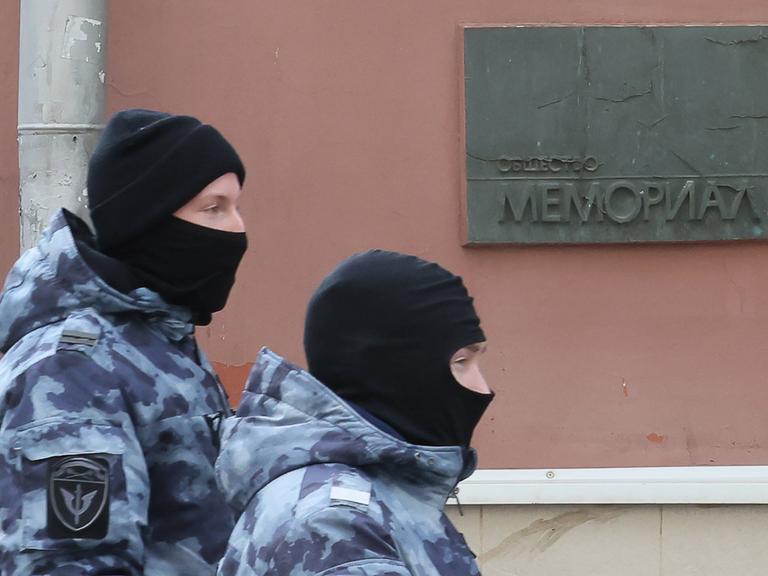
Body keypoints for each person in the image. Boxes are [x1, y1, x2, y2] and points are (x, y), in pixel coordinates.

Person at [0, 109, 247, 575]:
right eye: (213, 208)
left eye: (236, 205)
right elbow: (72, 562)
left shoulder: (157, 339)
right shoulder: (73, 368)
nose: (237, 227)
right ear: (148, 220)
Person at [216, 249, 494, 575]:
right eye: (461, 362)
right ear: (394, 368)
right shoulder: (335, 524)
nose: (482, 388)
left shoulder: (372, 497)